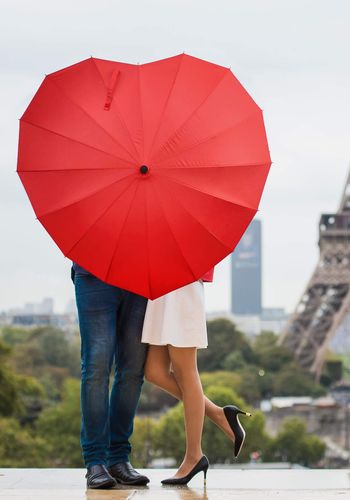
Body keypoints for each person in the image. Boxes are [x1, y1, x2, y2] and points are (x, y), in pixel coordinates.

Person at [141, 267, 251, 485]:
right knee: (154, 371)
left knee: (186, 371)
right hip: (160, 284)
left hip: (181, 283)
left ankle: (194, 456)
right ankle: (220, 415)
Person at [71, 261, 150, 489]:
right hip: (93, 271)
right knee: (97, 366)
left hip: (139, 275)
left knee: (133, 370)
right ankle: (95, 461)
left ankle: (118, 458)